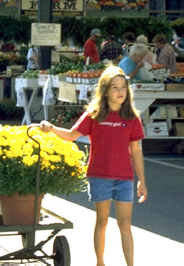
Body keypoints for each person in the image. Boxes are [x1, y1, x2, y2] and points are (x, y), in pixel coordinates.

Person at [40, 65, 147, 266]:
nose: (120, 92)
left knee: (125, 223)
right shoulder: (94, 114)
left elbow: (136, 151)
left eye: (123, 87)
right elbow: (72, 135)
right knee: (102, 221)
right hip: (99, 177)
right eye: (115, 87)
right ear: (105, 90)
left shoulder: (132, 118)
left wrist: (142, 180)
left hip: (124, 178)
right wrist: (52, 128)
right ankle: (100, 262)